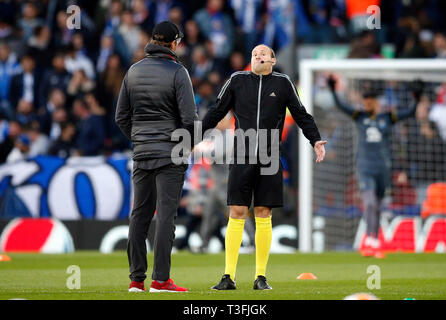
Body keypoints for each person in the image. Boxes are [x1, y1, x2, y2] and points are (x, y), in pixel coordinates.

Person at [202, 44, 326, 290]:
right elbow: (217, 110)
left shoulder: (283, 83)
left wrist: (315, 140)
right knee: (236, 211)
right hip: (241, 154)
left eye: (263, 53)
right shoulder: (237, 80)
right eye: (254, 53)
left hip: (270, 157)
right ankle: (228, 276)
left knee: (263, 213)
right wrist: (196, 134)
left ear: (272, 59)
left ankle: (260, 277)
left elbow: (301, 114)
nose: (257, 55)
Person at [115, 21, 198, 293]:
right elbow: (189, 119)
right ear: (175, 43)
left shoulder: (133, 71)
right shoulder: (179, 72)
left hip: (142, 154)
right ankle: (161, 280)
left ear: (152, 40)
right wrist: (186, 146)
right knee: (165, 216)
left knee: (139, 215)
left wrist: (140, 139)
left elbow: (121, 117)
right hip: (170, 155)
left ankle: (136, 280)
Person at [327, 75, 423, 258]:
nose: (365, 104)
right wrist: (333, 90)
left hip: (383, 169)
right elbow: (341, 107)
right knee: (369, 202)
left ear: (375, 102)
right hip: (365, 167)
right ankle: (370, 241)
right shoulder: (358, 116)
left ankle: (374, 239)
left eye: (368, 101)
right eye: (364, 101)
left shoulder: (388, 117)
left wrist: (416, 98)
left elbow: (410, 112)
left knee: (377, 206)